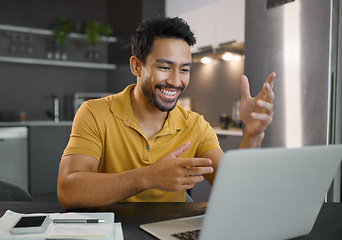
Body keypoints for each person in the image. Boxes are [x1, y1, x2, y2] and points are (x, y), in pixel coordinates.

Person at [57, 16, 275, 209]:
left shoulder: (195, 125)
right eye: (164, 67)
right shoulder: (95, 113)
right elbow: (69, 191)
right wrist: (147, 177)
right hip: (112, 232)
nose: (175, 81)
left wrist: (253, 134)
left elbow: (236, 191)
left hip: (170, 232)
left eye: (184, 69)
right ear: (136, 66)